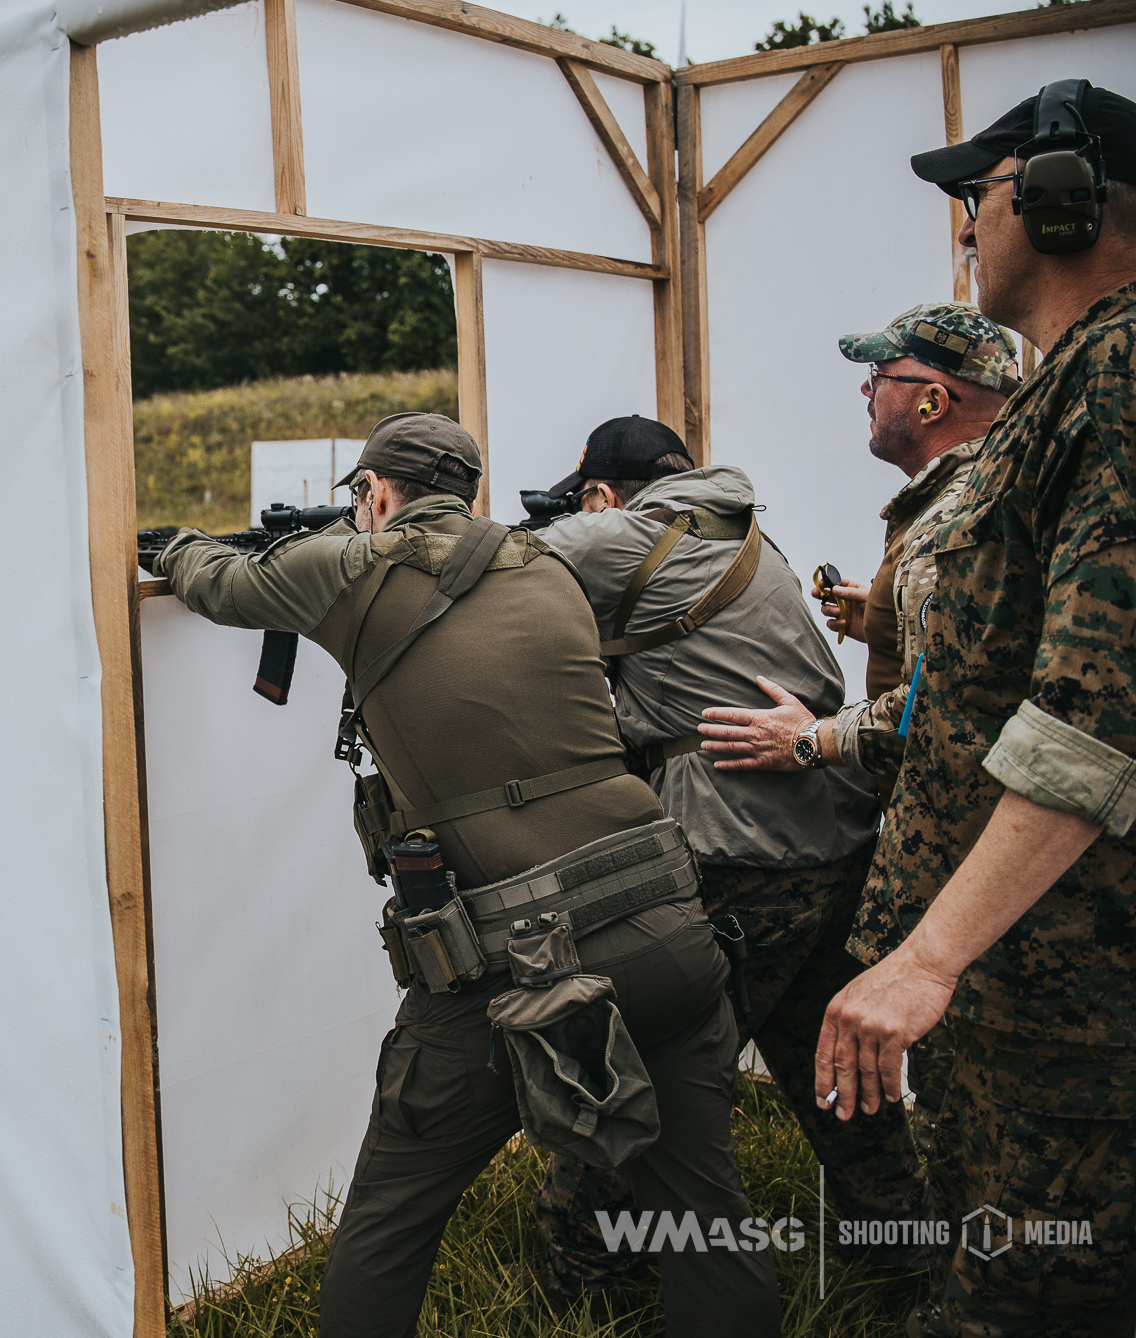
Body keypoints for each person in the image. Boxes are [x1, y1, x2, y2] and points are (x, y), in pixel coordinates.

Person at [150, 412, 778, 1338]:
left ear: (376, 493)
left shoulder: (352, 567)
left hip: (510, 957)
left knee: (392, 1212)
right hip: (665, 921)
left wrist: (175, 543)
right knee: (703, 1211)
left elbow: (225, 584)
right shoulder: (548, 566)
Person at [812, 80, 1136, 1337]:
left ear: (1059, 203)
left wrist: (927, 957)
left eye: (978, 195)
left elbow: (1098, 711)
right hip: (1030, 984)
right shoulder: (1070, 385)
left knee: (1026, 1299)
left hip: (1069, 993)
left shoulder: (1116, 375)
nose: (965, 225)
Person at [526, 416, 922, 1307]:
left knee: (643, 1074)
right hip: (829, 844)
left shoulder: (619, 532)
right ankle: (910, 1251)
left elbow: (489, 572)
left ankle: (591, 1290)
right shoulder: (738, 528)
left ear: (600, 494)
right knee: (831, 1068)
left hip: (743, 859)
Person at [697, 304, 1018, 1239]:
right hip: (977, 850)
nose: (865, 393)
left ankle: (986, 1275)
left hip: (970, 855)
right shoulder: (977, 498)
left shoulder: (956, 518)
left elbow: (950, 704)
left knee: (973, 1099)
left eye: (878, 376)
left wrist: (812, 739)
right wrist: (883, 612)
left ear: (931, 399)